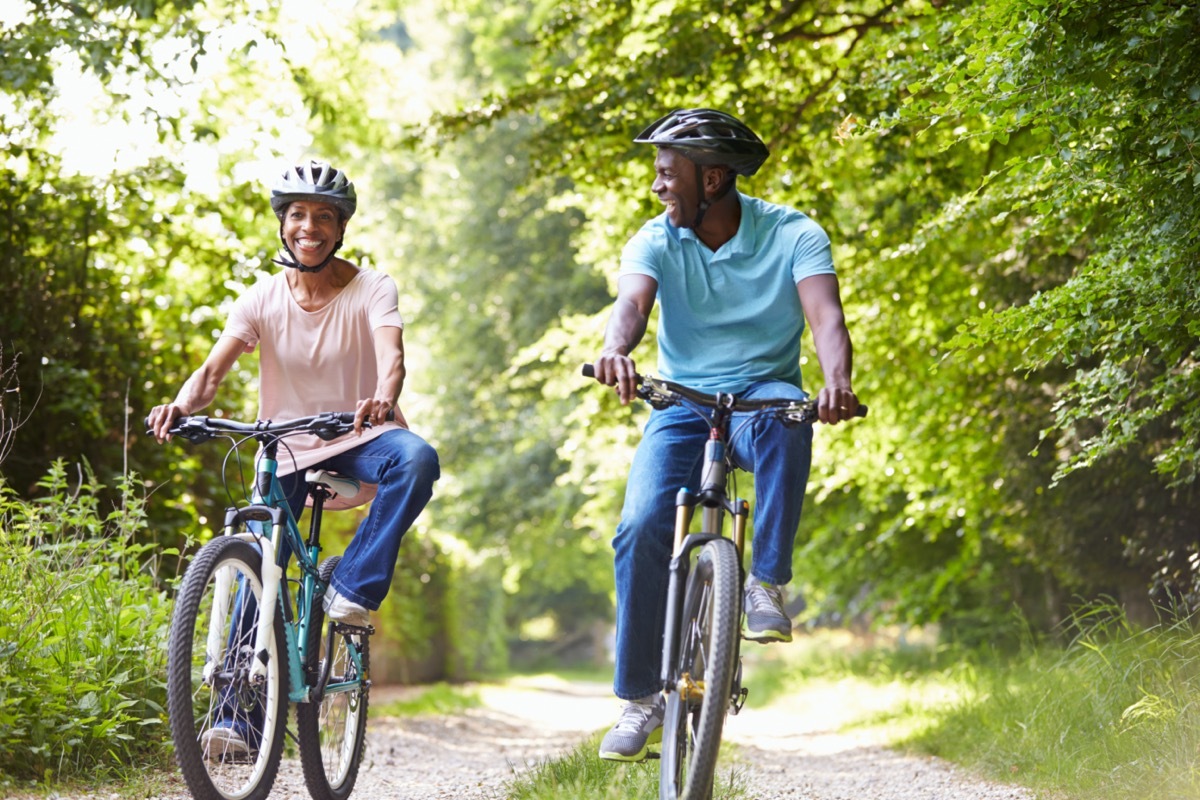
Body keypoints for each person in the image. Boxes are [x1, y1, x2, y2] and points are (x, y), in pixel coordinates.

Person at [587, 109, 859, 762]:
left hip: (763, 393)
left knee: (788, 417)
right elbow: (630, 308)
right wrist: (615, 349)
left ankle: (764, 581)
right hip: (682, 404)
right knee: (641, 524)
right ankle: (638, 700)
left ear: (713, 179)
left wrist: (836, 381)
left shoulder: (794, 233)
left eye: (667, 172)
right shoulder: (654, 239)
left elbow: (826, 319)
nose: (657, 185)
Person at [147, 159, 440, 755]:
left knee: (417, 459)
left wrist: (385, 398)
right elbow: (210, 373)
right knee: (260, 561)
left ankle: (353, 590)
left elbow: (393, 356)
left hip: (360, 435)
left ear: (340, 229)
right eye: (298, 215)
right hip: (284, 448)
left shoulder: (372, 288)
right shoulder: (261, 297)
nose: (310, 226)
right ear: (283, 225)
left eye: (324, 217)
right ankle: (234, 718)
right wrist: (180, 406)